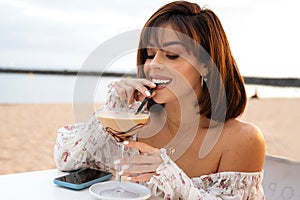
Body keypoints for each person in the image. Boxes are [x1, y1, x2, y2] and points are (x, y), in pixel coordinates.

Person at [54, 1, 265, 199]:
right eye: (149, 54)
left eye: (171, 55)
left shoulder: (243, 139)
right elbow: (66, 160)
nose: (153, 65)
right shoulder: (135, 124)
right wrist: (115, 109)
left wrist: (174, 179)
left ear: (207, 65)